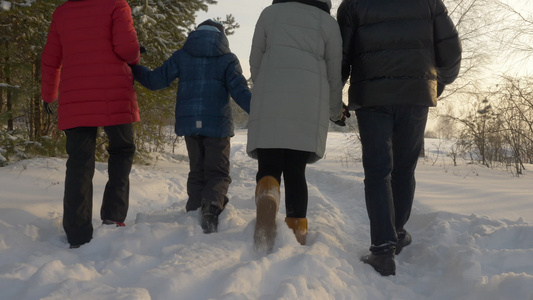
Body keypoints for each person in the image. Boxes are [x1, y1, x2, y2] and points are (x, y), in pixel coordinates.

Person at [337, 0, 462, 275]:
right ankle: (397, 233)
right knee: (404, 169)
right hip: (415, 94)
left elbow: (340, 58)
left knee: (378, 171)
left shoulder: (353, 5)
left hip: (372, 99)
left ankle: (383, 250)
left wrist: (335, 98)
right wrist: (436, 83)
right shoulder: (429, 3)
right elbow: (451, 53)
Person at [131, 19, 251, 234]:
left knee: (197, 169)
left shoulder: (182, 56)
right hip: (217, 125)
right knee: (218, 171)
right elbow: (240, 92)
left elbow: (155, 81)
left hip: (189, 122)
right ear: (220, 36)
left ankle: (193, 210)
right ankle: (211, 207)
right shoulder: (227, 59)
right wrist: (263, 111)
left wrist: (133, 68)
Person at [40, 0, 142, 248]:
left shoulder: (63, 12)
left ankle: (77, 233)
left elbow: (51, 59)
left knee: (79, 163)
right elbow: (127, 49)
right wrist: (138, 56)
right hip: (114, 94)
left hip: (76, 97)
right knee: (122, 150)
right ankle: (113, 216)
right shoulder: (116, 5)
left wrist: (48, 95)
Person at [248, 0, 346, 251]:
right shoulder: (327, 23)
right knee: (295, 170)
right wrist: (336, 111)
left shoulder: (270, 14)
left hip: (271, 94)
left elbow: (255, 59)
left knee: (269, 164)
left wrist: (263, 87)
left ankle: (268, 193)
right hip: (308, 100)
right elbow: (334, 74)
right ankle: (296, 230)